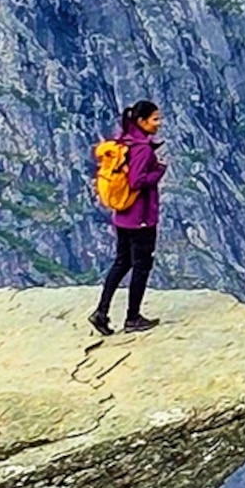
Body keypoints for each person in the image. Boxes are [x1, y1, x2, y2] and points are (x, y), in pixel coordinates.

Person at [91, 99, 165, 334]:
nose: (159, 123)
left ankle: (101, 312)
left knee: (122, 262)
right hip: (140, 217)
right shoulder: (142, 148)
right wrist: (159, 171)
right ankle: (133, 317)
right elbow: (137, 181)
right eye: (155, 119)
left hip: (122, 215)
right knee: (142, 265)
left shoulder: (124, 141)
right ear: (142, 122)